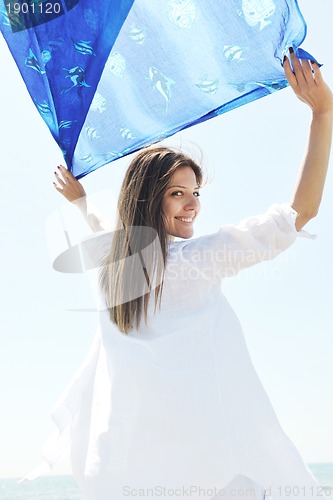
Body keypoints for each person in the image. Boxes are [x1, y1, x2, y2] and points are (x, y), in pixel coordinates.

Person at [51, 51, 332, 499]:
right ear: (147, 201)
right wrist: (323, 112)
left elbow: (105, 228)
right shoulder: (194, 259)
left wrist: (81, 202)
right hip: (211, 472)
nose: (193, 204)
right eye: (177, 193)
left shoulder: (115, 265)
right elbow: (300, 213)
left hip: (133, 470)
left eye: (195, 192)